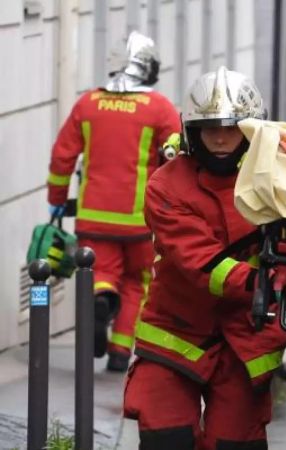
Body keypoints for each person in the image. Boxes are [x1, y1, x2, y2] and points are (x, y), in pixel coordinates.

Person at [123, 66, 286, 448]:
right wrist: (262, 282)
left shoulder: (280, 177)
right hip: (175, 331)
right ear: (190, 131)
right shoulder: (167, 185)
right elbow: (199, 261)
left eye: (230, 128)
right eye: (208, 127)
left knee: (235, 443)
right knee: (167, 437)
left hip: (247, 339)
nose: (218, 138)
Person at [46, 30, 181, 372]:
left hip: (94, 216)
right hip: (140, 219)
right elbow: (177, 158)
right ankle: (121, 352)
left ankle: (101, 300)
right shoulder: (160, 108)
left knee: (100, 272)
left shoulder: (88, 103)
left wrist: (57, 199)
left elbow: (63, 157)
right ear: (148, 67)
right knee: (138, 281)